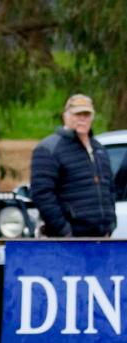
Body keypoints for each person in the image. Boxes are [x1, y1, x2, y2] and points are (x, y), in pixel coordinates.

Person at [30, 94, 116, 237]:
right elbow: (42, 194)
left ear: (92, 117)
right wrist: (65, 231)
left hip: (102, 240)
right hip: (68, 243)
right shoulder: (48, 149)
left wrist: (110, 224)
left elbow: (110, 190)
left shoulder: (100, 149)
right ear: (66, 116)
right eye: (77, 114)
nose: (82, 118)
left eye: (86, 114)